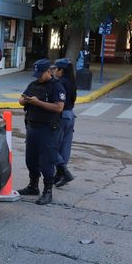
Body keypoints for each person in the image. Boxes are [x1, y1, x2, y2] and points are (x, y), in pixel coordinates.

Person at [17, 59, 66, 205]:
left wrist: (38, 102)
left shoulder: (57, 86)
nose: (38, 77)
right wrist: (25, 101)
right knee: (30, 160)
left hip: (48, 129)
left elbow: (59, 107)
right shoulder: (33, 84)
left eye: (40, 74)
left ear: (48, 71)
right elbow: (20, 99)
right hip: (32, 127)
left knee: (47, 162)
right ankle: (33, 186)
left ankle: (48, 191)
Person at [53, 58, 77, 187]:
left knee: (51, 145)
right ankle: (60, 173)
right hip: (70, 115)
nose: (54, 71)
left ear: (61, 70)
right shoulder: (71, 81)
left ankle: (64, 171)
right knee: (65, 146)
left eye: (56, 69)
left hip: (62, 116)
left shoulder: (60, 83)